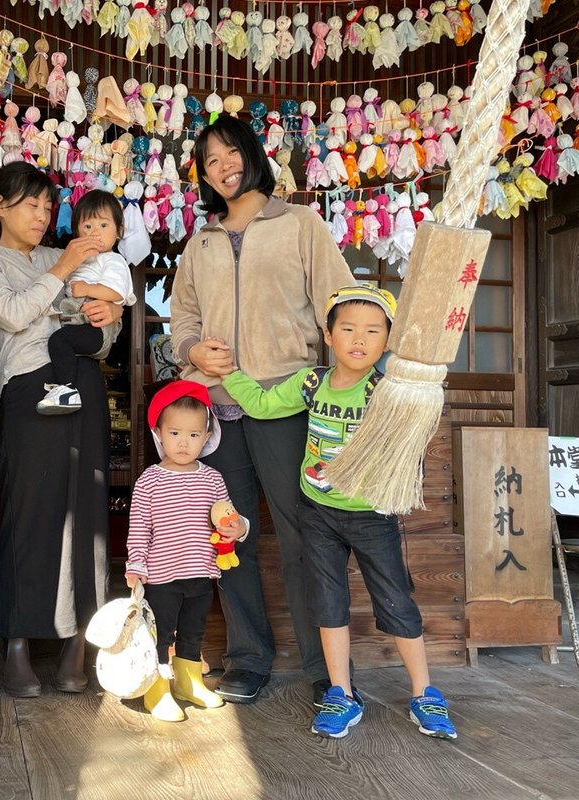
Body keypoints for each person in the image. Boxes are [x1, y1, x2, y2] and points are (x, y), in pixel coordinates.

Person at [170, 114, 355, 706]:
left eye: (231, 153)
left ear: (253, 155)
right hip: (218, 409)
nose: (223, 166)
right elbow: (182, 320)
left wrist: (353, 381)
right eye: (210, 160)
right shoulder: (200, 244)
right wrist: (192, 351)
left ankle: (327, 667)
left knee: (306, 536)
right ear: (204, 176)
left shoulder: (301, 224)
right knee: (229, 537)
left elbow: (340, 305)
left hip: (288, 402)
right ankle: (248, 659)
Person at [221, 284, 458, 740]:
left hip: (372, 515)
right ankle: (340, 693)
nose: (359, 339)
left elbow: (412, 436)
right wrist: (230, 375)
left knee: (396, 601)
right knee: (328, 603)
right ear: (328, 336)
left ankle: (425, 693)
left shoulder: (389, 391)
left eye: (373, 330)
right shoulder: (311, 383)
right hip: (318, 513)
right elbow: (263, 405)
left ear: (388, 340)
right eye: (347, 329)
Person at [0, 161, 124, 697]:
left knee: (88, 509)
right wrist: (63, 269)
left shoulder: (63, 253)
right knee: (30, 509)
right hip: (29, 387)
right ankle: (18, 642)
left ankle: (79, 641)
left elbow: (104, 326)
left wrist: (107, 318)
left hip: (84, 380)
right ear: (0, 206)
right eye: (31, 204)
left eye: (48, 206)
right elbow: (11, 315)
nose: (42, 215)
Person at [125, 381, 247, 722]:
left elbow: (227, 515)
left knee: (194, 631)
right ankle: (157, 688)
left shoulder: (212, 479)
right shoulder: (150, 480)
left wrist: (236, 528)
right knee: (160, 633)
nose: (183, 442)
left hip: (201, 572)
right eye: (175, 433)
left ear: (206, 436)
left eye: (193, 435)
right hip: (161, 576)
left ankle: (189, 682)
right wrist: (136, 564)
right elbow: (139, 528)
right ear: (159, 433)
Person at [38, 189, 135, 415]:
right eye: (87, 226)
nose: (95, 233)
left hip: (96, 329)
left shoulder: (113, 260)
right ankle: (66, 389)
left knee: (60, 341)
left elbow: (116, 292)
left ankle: (66, 392)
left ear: (119, 231)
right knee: (62, 343)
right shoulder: (81, 261)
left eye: (103, 225)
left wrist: (87, 289)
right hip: (82, 323)